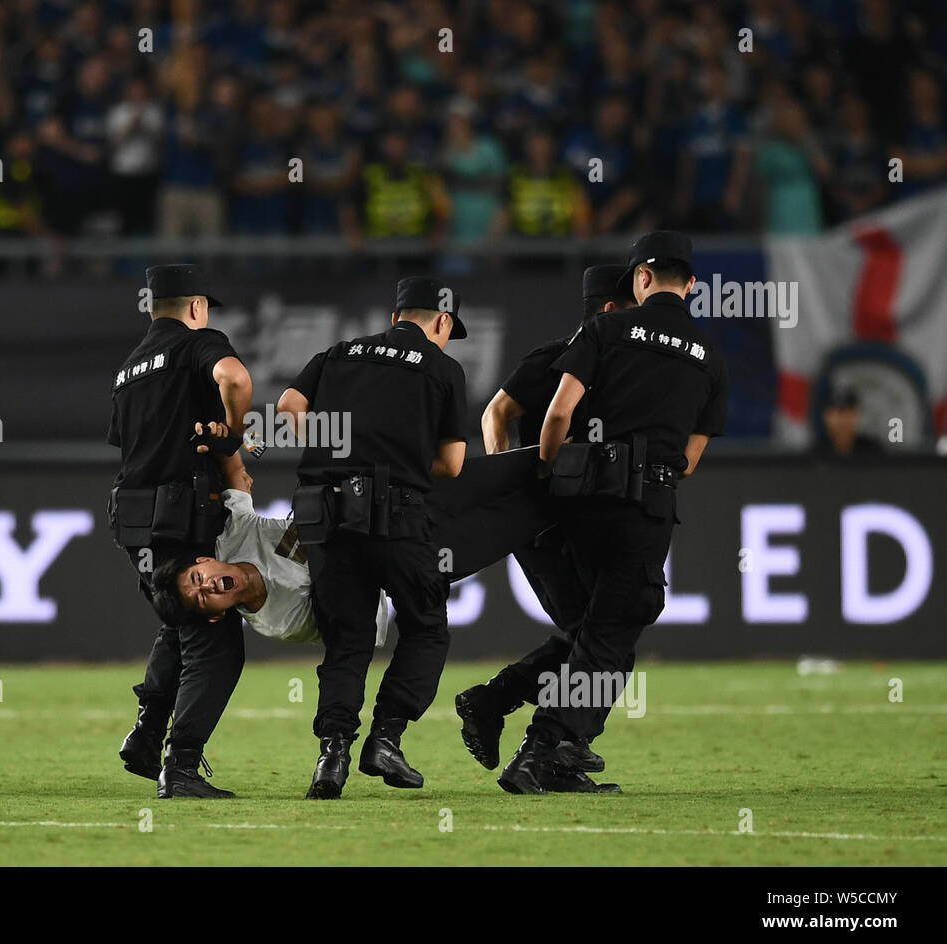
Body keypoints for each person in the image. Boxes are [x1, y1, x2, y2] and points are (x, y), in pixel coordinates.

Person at [498, 231, 728, 795]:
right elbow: (692, 459)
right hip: (645, 507)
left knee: (597, 635)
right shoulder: (708, 355)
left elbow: (557, 415)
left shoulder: (605, 329)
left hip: (581, 503)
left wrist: (550, 473)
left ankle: (550, 752)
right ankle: (542, 749)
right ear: (691, 286)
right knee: (609, 637)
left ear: (641, 278)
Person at [277, 277, 467, 799]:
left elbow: (289, 405)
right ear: (442, 322)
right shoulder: (443, 368)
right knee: (425, 627)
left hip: (328, 518)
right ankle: (385, 738)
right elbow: (451, 463)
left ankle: (331, 755)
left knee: (347, 639)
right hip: (398, 517)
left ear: (395, 316)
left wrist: (333, 450)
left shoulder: (338, 352)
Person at [454, 264, 634, 793]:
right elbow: (496, 413)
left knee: (595, 637)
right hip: (543, 520)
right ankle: (535, 739)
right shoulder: (559, 357)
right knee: (601, 640)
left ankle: (497, 704)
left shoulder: (613, 362)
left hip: (579, 517)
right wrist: (510, 481)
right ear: (609, 310)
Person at [107, 264, 253, 798]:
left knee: (179, 625)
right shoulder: (198, 344)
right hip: (178, 516)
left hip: (133, 519)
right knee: (214, 643)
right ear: (196, 307)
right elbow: (235, 378)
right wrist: (233, 438)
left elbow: (128, 444)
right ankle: (182, 768)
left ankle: (146, 739)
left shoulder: (128, 368)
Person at [146, 430, 390, 649]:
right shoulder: (278, 621)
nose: (208, 586)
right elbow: (346, 611)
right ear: (216, 615)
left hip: (371, 525)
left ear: (205, 560)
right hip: (373, 591)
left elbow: (234, 471)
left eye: (198, 577)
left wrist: (223, 433)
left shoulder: (234, 537)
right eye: (201, 598)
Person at [817, 386, 884, 459]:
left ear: (857, 415)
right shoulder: (816, 456)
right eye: (838, 414)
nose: (843, 420)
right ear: (826, 416)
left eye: (848, 413)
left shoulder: (874, 452)